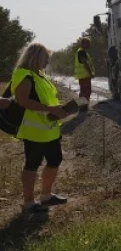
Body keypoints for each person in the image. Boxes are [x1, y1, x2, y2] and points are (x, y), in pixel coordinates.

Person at [12, 43, 70, 213]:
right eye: (46, 58)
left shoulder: (40, 75)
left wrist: (59, 109)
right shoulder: (24, 74)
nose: (47, 62)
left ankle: (46, 195)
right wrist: (51, 109)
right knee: (32, 164)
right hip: (34, 131)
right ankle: (29, 202)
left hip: (50, 128)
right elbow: (24, 101)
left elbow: (47, 100)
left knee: (55, 160)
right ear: (36, 57)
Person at [74, 37, 94, 105]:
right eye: (87, 43)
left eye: (89, 43)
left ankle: (84, 106)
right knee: (85, 92)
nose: (89, 44)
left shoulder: (82, 51)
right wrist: (90, 72)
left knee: (85, 91)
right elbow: (85, 63)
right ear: (82, 43)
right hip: (84, 76)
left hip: (84, 76)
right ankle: (83, 106)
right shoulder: (81, 51)